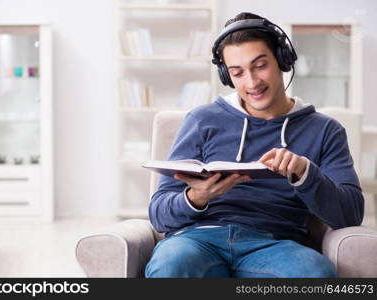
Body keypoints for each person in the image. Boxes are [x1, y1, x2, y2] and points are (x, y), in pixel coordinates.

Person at [145, 12, 364, 278]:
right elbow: (158, 214)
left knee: (314, 272)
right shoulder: (202, 120)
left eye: (260, 66)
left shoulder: (325, 130)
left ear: (282, 60)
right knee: (171, 264)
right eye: (237, 73)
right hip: (197, 240)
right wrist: (197, 197)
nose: (252, 83)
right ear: (227, 76)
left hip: (277, 243)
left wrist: (306, 173)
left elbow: (350, 214)